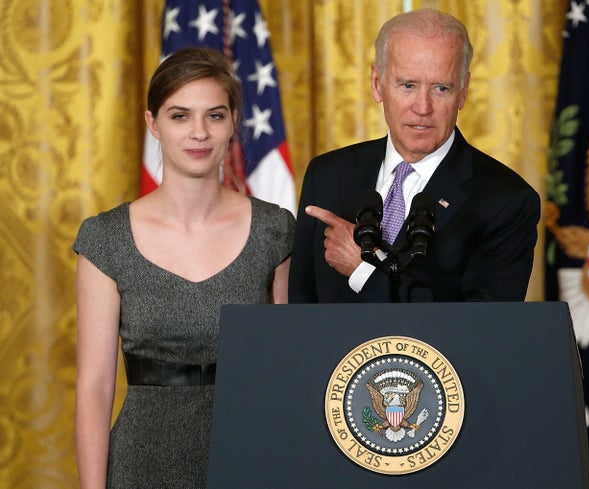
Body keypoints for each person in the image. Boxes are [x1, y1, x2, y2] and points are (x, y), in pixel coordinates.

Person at [72, 47, 295, 488]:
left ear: (233, 122)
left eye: (214, 115)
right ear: (153, 123)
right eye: (179, 116)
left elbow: (287, 369)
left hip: (252, 457)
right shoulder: (106, 239)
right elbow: (94, 389)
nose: (199, 133)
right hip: (141, 466)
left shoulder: (275, 230)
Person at [289, 9, 540, 303]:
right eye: (408, 85)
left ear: (463, 92)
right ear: (376, 83)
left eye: (441, 88)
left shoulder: (507, 201)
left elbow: (481, 334)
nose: (423, 107)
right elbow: (300, 314)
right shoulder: (327, 175)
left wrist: (363, 272)